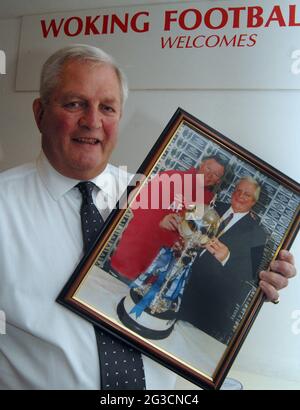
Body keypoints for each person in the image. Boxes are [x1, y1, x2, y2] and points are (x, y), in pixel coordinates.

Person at [0, 44, 296, 390]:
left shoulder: (146, 188)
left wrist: (258, 277)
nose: (92, 121)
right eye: (74, 103)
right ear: (40, 114)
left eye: (107, 108)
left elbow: (193, 260)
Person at [178, 177, 271, 344]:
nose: (240, 196)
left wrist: (227, 258)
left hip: (204, 302)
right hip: (178, 280)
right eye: (238, 191)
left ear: (254, 202)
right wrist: (185, 234)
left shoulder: (258, 234)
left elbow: (248, 274)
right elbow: (184, 220)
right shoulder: (212, 206)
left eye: (247, 195)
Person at [109, 155, 226, 280]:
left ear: (218, 181)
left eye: (215, 174)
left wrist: (185, 242)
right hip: (131, 258)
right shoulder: (172, 177)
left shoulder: (206, 201)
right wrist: (160, 220)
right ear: (201, 165)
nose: (209, 175)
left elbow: (191, 232)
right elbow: (138, 203)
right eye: (208, 168)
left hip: (156, 273)